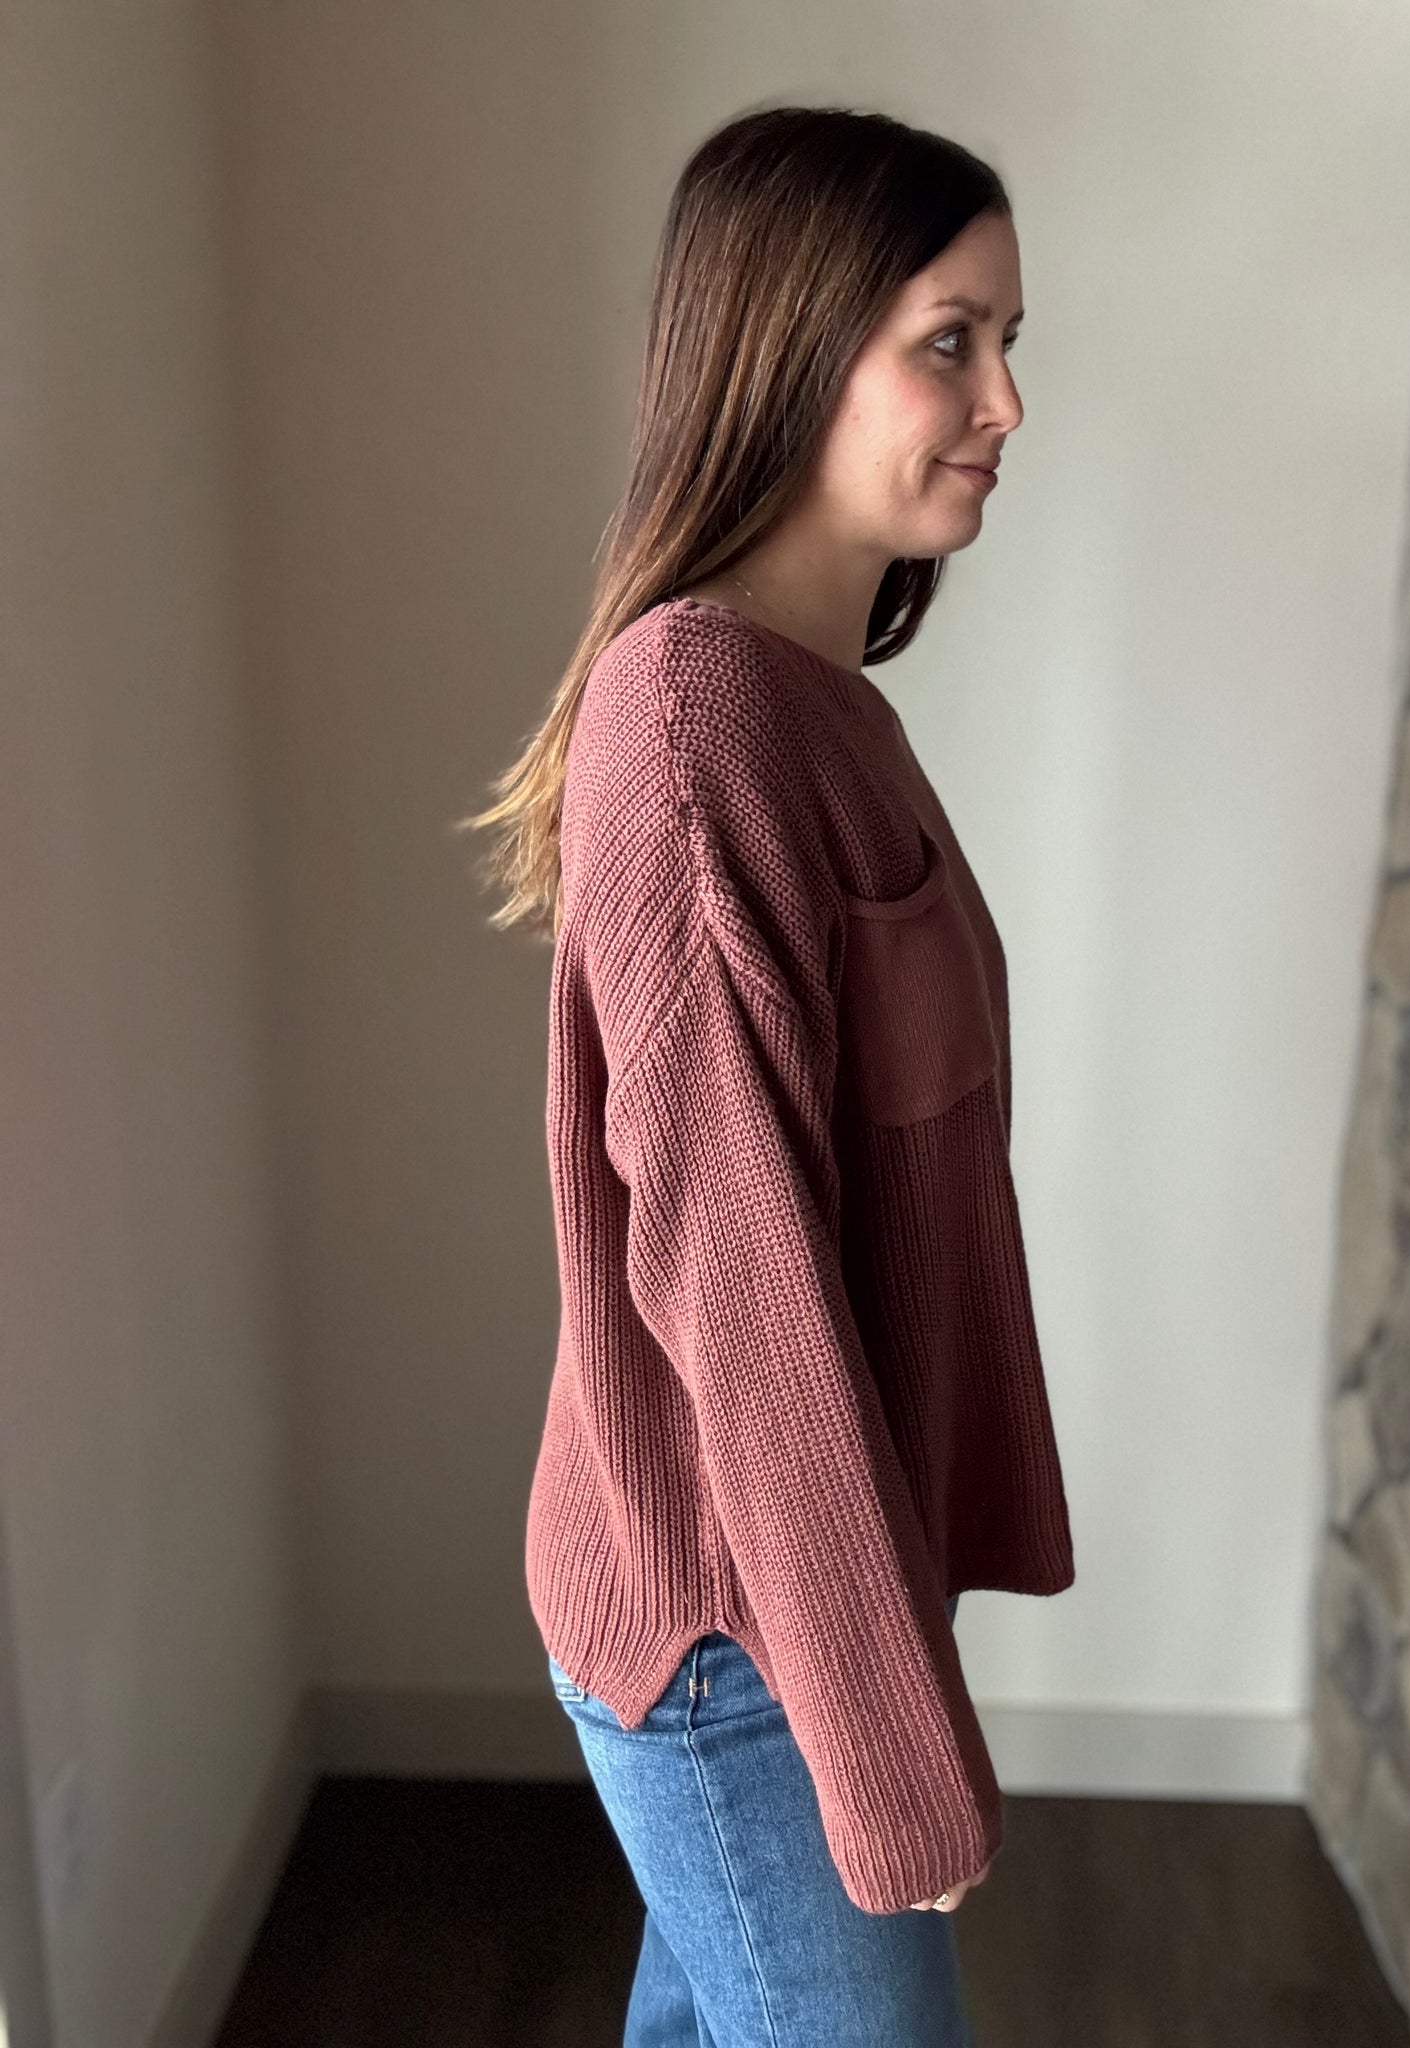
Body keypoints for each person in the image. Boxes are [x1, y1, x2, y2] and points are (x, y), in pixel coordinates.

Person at [461, 102, 1075, 2048]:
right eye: (952, 340)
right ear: (796, 344)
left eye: (1008, 341)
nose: (1007, 401)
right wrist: (887, 1745)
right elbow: (737, 1275)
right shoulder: (693, 715)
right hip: (737, 1637)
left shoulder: (815, 705)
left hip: (793, 1598)